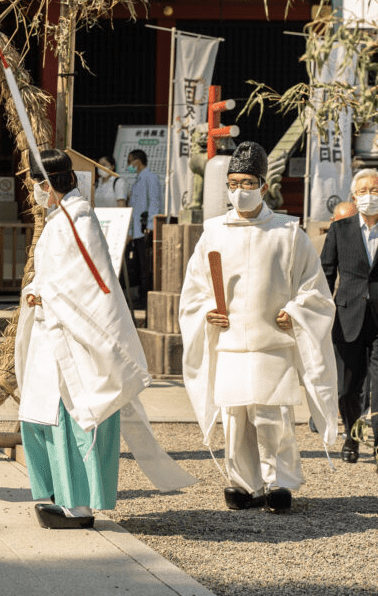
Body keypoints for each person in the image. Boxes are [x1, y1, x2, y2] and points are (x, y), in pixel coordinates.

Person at [15, 150, 194, 529]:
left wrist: (47, 294)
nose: (34, 190)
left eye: (37, 182)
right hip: (53, 331)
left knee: (76, 416)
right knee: (46, 416)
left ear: (50, 183)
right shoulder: (59, 220)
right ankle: (60, 497)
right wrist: (37, 290)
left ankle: (79, 506)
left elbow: (90, 282)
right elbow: (55, 275)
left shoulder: (79, 219)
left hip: (77, 337)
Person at [179, 141, 339, 513]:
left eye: (248, 182)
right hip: (232, 341)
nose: (240, 190)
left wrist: (296, 311)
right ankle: (242, 482)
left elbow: (314, 287)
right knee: (236, 416)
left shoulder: (287, 232)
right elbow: (195, 289)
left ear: (263, 186)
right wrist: (207, 312)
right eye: (233, 182)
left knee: (273, 416)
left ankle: (278, 482)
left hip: (272, 340)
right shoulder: (213, 232)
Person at [320, 170, 378, 470]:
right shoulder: (340, 230)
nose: (370, 195)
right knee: (347, 389)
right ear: (354, 197)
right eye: (364, 190)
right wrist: (319, 313)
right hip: (347, 316)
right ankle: (352, 437)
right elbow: (325, 274)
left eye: (376, 189)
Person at [126, 149, 161, 307]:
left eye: (130, 161)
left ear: (137, 161)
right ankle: (140, 296)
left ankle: (146, 299)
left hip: (145, 229)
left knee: (146, 266)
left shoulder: (150, 177)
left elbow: (154, 201)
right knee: (139, 266)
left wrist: (150, 226)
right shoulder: (138, 180)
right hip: (136, 231)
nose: (129, 165)